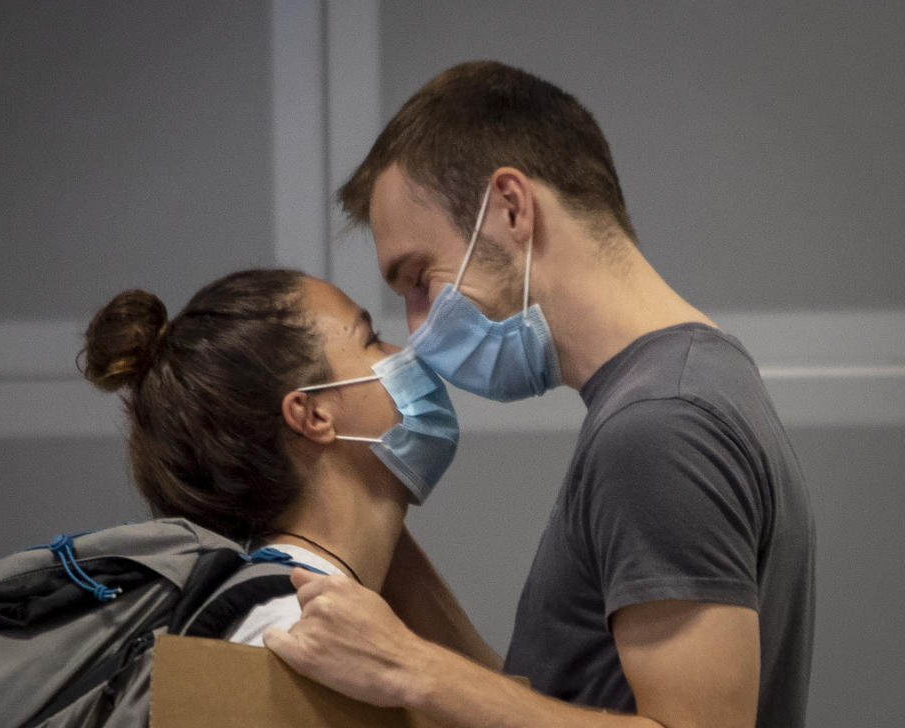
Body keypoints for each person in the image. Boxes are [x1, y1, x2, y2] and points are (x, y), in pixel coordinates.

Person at [261, 61, 816, 728]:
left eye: (417, 277)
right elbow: (568, 705)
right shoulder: (693, 380)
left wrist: (411, 670)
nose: (416, 329)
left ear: (511, 209)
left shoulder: (660, 426)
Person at [81, 268, 483, 649]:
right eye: (371, 339)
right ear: (313, 415)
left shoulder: (310, 611)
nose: (403, 351)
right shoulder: (295, 633)